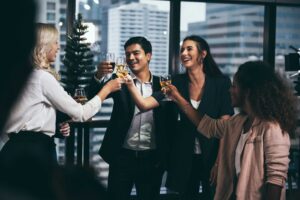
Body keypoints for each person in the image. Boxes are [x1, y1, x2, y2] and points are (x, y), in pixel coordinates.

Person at [165, 60, 297, 200]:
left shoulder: (271, 127)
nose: (230, 90)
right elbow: (208, 126)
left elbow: (276, 180)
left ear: (248, 91)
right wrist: (178, 98)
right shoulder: (238, 121)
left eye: (234, 86)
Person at [0, 23, 122, 168]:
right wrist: (107, 89)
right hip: (35, 153)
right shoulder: (42, 78)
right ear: (44, 46)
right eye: (55, 42)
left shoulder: (25, 75)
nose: (58, 47)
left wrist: (55, 127)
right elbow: (82, 114)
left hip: (13, 150)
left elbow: (29, 114)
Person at [87, 36, 170, 200]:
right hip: (122, 159)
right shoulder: (119, 81)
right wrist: (98, 75)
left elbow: (170, 121)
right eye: (127, 54)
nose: (131, 58)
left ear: (148, 56)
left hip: (152, 160)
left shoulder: (163, 85)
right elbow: (91, 98)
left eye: (136, 53)